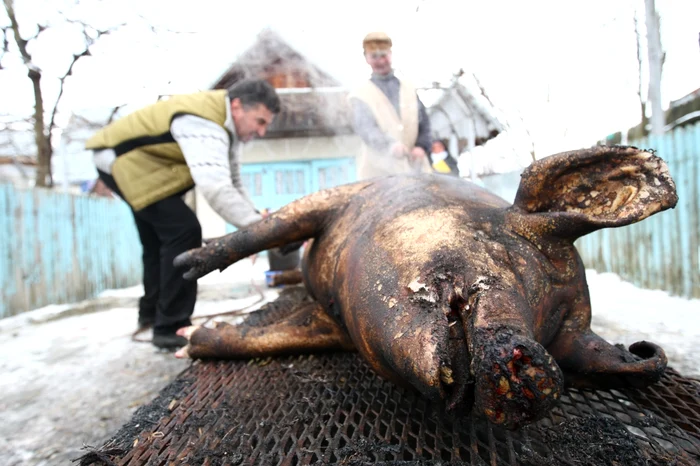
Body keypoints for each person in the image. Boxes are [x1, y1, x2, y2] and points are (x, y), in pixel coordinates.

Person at [85, 79, 281, 350]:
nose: (261, 131)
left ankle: (151, 316)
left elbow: (233, 180)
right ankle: (170, 328)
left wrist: (258, 219)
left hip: (134, 163)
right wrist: (268, 231)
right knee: (183, 231)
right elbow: (216, 187)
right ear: (237, 106)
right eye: (260, 121)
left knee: (157, 242)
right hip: (120, 160)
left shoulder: (224, 124)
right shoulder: (204, 122)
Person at [349, 32, 433, 180]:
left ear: (390, 54)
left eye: (383, 55)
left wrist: (421, 146)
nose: (380, 61)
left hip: (417, 171)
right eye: (374, 56)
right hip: (378, 176)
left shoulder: (409, 88)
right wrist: (390, 145)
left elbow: (424, 124)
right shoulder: (360, 94)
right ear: (366, 59)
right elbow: (367, 129)